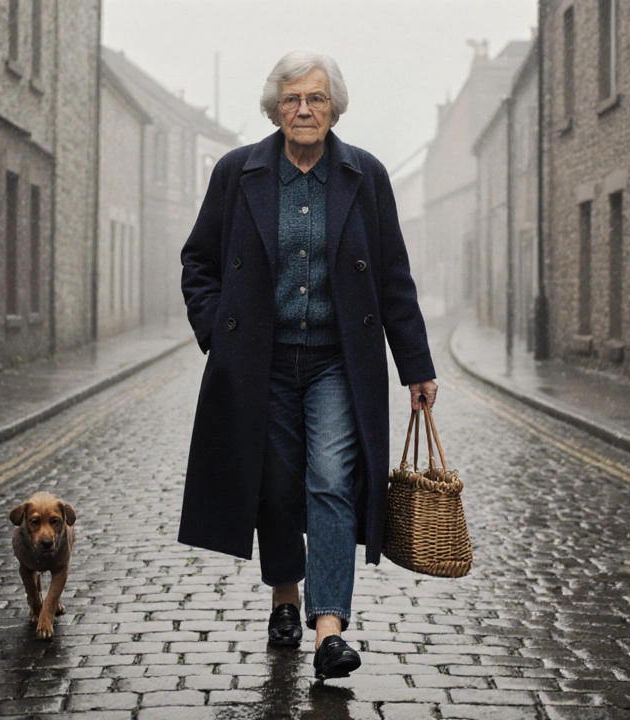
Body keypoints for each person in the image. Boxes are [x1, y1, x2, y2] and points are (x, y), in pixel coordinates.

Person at [178, 50, 437, 680]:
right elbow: (199, 263)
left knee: (328, 480)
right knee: (276, 482)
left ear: (333, 107)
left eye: (315, 99)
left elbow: (393, 276)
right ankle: (284, 599)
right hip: (259, 361)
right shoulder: (238, 173)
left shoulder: (364, 176)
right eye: (292, 99)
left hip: (336, 363)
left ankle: (328, 631)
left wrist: (416, 365)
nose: (303, 110)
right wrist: (220, 335)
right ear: (275, 107)